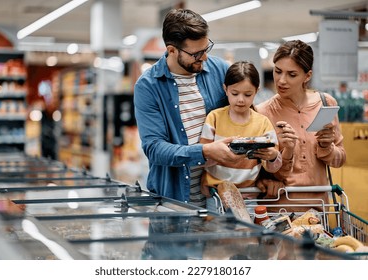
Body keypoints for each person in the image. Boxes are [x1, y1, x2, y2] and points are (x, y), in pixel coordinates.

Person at [134, 9, 240, 208]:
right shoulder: (148, 87)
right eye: (196, 53)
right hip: (174, 200)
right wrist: (205, 151)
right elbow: (154, 148)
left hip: (220, 195)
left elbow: (245, 114)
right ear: (172, 50)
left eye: (206, 49)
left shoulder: (220, 70)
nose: (205, 58)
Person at [255, 40, 346, 211]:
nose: (281, 80)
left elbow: (340, 159)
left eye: (292, 74)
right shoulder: (262, 113)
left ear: (307, 76)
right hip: (278, 211)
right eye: (278, 71)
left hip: (318, 212)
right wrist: (264, 180)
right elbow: (256, 170)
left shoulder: (326, 104)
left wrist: (327, 147)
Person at [199, 61, 282, 212]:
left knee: (246, 235)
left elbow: (273, 166)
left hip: (248, 197)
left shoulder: (262, 122)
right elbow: (202, 157)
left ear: (256, 91)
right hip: (216, 196)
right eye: (235, 93)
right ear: (225, 89)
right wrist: (218, 154)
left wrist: (272, 156)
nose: (241, 99)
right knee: (216, 234)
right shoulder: (215, 118)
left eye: (248, 94)